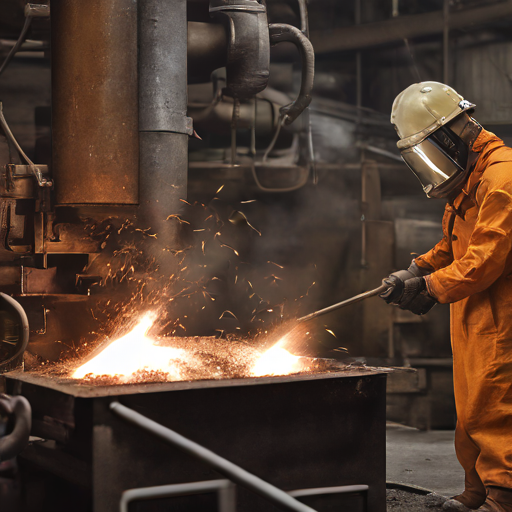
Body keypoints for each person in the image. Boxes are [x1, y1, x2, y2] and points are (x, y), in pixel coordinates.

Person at [381, 81, 512, 512]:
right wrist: (417, 269)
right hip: (473, 310)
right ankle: (477, 491)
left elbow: (485, 258)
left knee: (496, 406)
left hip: (502, 312)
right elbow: (453, 247)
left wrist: (431, 287)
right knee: (471, 408)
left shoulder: (502, 177)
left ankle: (504, 495)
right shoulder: (467, 180)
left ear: (448, 134)